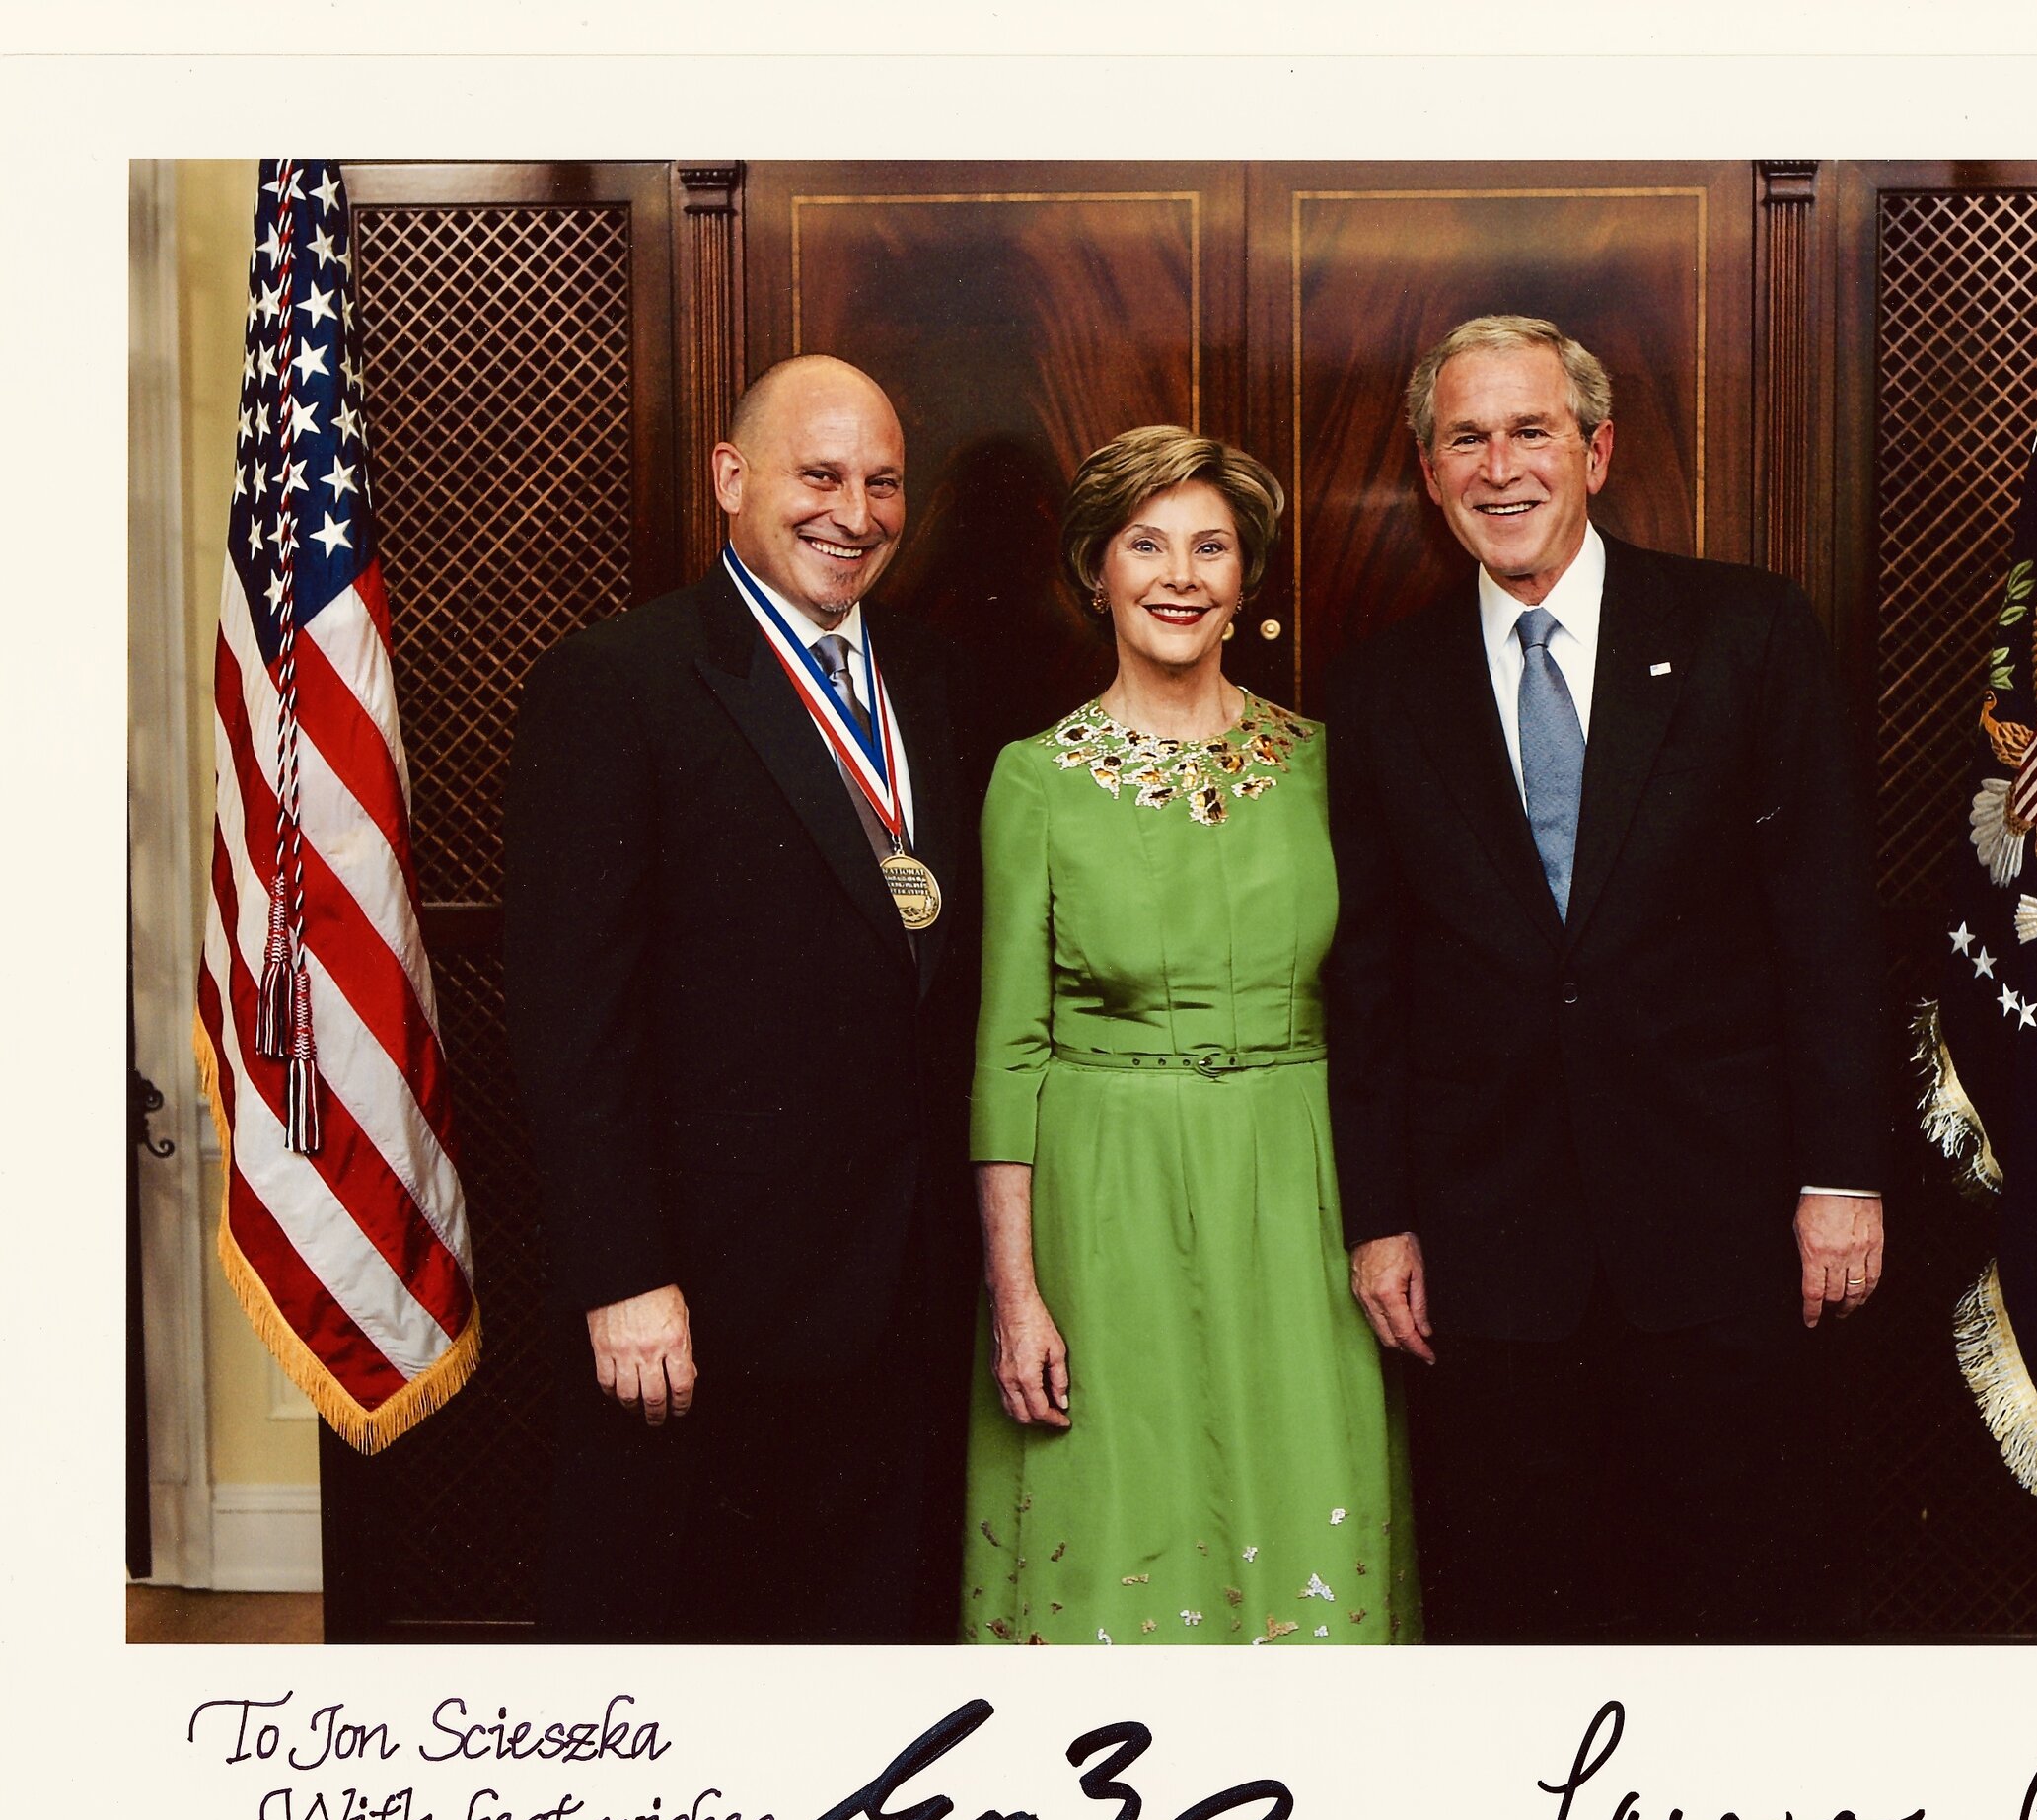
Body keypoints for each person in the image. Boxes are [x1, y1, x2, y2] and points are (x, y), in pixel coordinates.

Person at [1323, 315, 1891, 1644]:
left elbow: (1828, 925)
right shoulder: (1376, 690)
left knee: (1733, 1594)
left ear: (1599, 451)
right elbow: (1369, 978)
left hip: (1723, 1227)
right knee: (1516, 1602)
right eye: (1467, 436)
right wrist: (1381, 1214)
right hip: (1489, 1244)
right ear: (1426, 467)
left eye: (1532, 430)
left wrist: (1843, 1176)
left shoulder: (1745, 634)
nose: (1501, 466)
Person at [504, 354, 980, 1642]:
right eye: (818, 474)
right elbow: (571, 1022)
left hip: (904, 1301)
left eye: (883, 482)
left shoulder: (937, 682)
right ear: (732, 478)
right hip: (706, 1311)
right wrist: (622, 1277)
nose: (856, 511)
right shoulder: (619, 685)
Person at [962, 426, 1411, 1646]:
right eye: (1144, 543)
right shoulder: (1034, 778)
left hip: (1300, 1192)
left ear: (1245, 576)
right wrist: (1016, 1292)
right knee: (1121, 1513)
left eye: (1210, 545)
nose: (1178, 573)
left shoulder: (1326, 762)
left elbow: (1381, 1014)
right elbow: (1007, 1052)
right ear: (1093, 570)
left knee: (1302, 1496)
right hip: (1103, 1202)